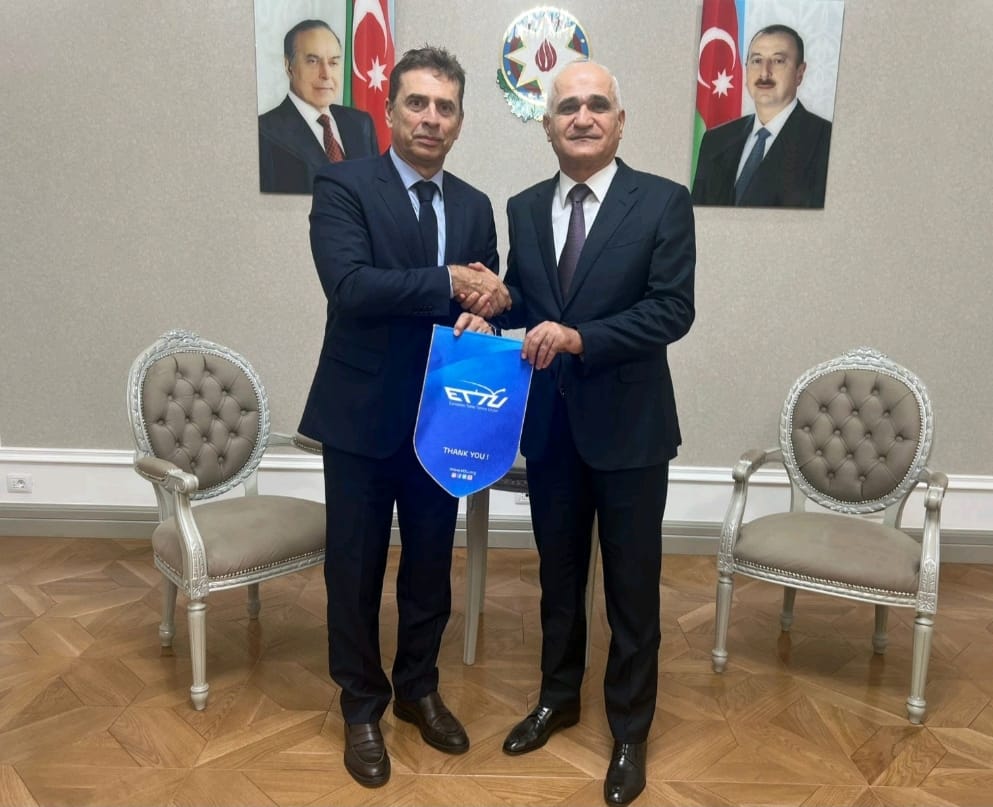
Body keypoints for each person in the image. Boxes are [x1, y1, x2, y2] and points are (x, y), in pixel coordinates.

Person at [467, 60, 695, 805]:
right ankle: (557, 699)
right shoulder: (525, 206)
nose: (583, 117)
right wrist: (492, 310)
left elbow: (672, 310)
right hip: (552, 428)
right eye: (568, 107)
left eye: (598, 105)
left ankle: (629, 730)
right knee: (558, 581)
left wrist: (579, 338)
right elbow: (529, 300)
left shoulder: (662, 201)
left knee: (631, 588)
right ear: (548, 126)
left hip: (631, 432)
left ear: (619, 122)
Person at [298, 46, 511, 788]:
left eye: (444, 106)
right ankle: (361, 705)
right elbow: (351, 286)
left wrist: (489, 309)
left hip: (442, 420)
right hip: (359, 416)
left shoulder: (475, 205)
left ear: (459, 120)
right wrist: (449, 282)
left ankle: (418, 687)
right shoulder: (343, 184)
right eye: (417, 102)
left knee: (428, 566)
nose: (430, 117)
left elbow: (483, 299)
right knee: (353, 569)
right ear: (389, 110)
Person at [691, 24, 832, 208]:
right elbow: (695, 216)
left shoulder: (827, 141)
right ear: (746, 69)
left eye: (778, 61)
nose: (764, 72)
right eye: (757, 61)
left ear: (800, 73)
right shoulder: (716, 140)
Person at [258, 20, 379, 194]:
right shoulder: (264, 131)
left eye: (333, 63)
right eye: (313, 61)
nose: (326, 74)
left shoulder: (360, 123)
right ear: (289, 67)